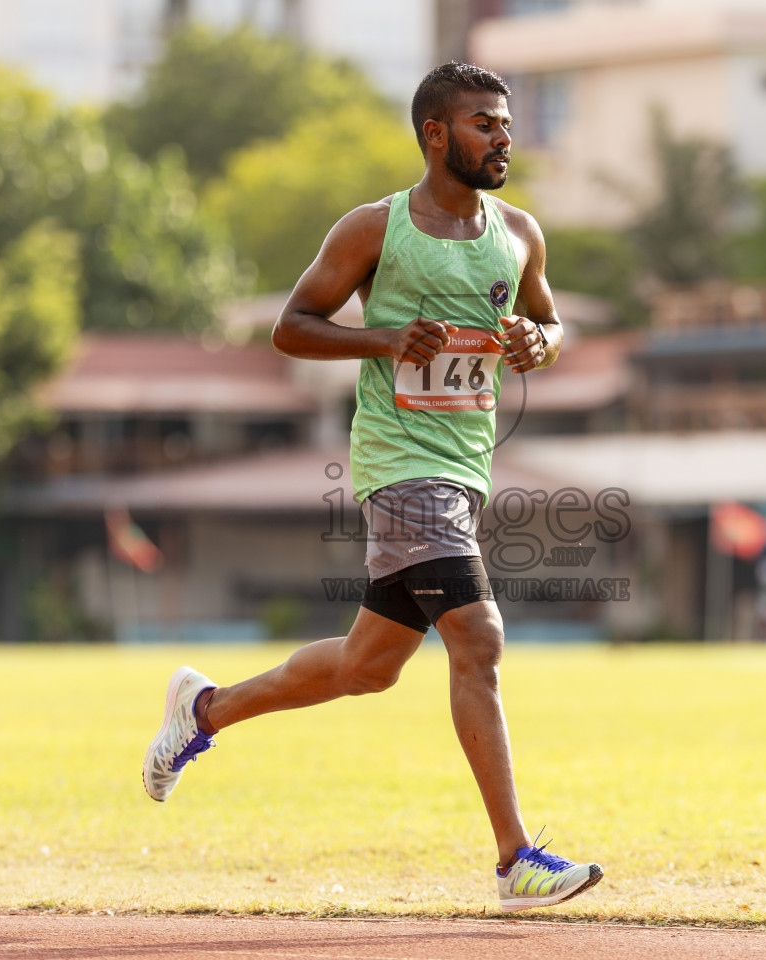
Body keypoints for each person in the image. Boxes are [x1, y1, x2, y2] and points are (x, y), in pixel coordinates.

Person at [141, 62, 602, 912]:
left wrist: (544, 343)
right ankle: (516, 861)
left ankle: (201, 711)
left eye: (506, 124)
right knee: (479, 638)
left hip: (464, 472)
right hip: (400, 467)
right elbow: (291, 328)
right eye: (485, 124)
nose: (503, 138)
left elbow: (548, 320)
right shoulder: (374, 229)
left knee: (367, 667)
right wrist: (385, 339)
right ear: (435, 134)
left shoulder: (519, 232)